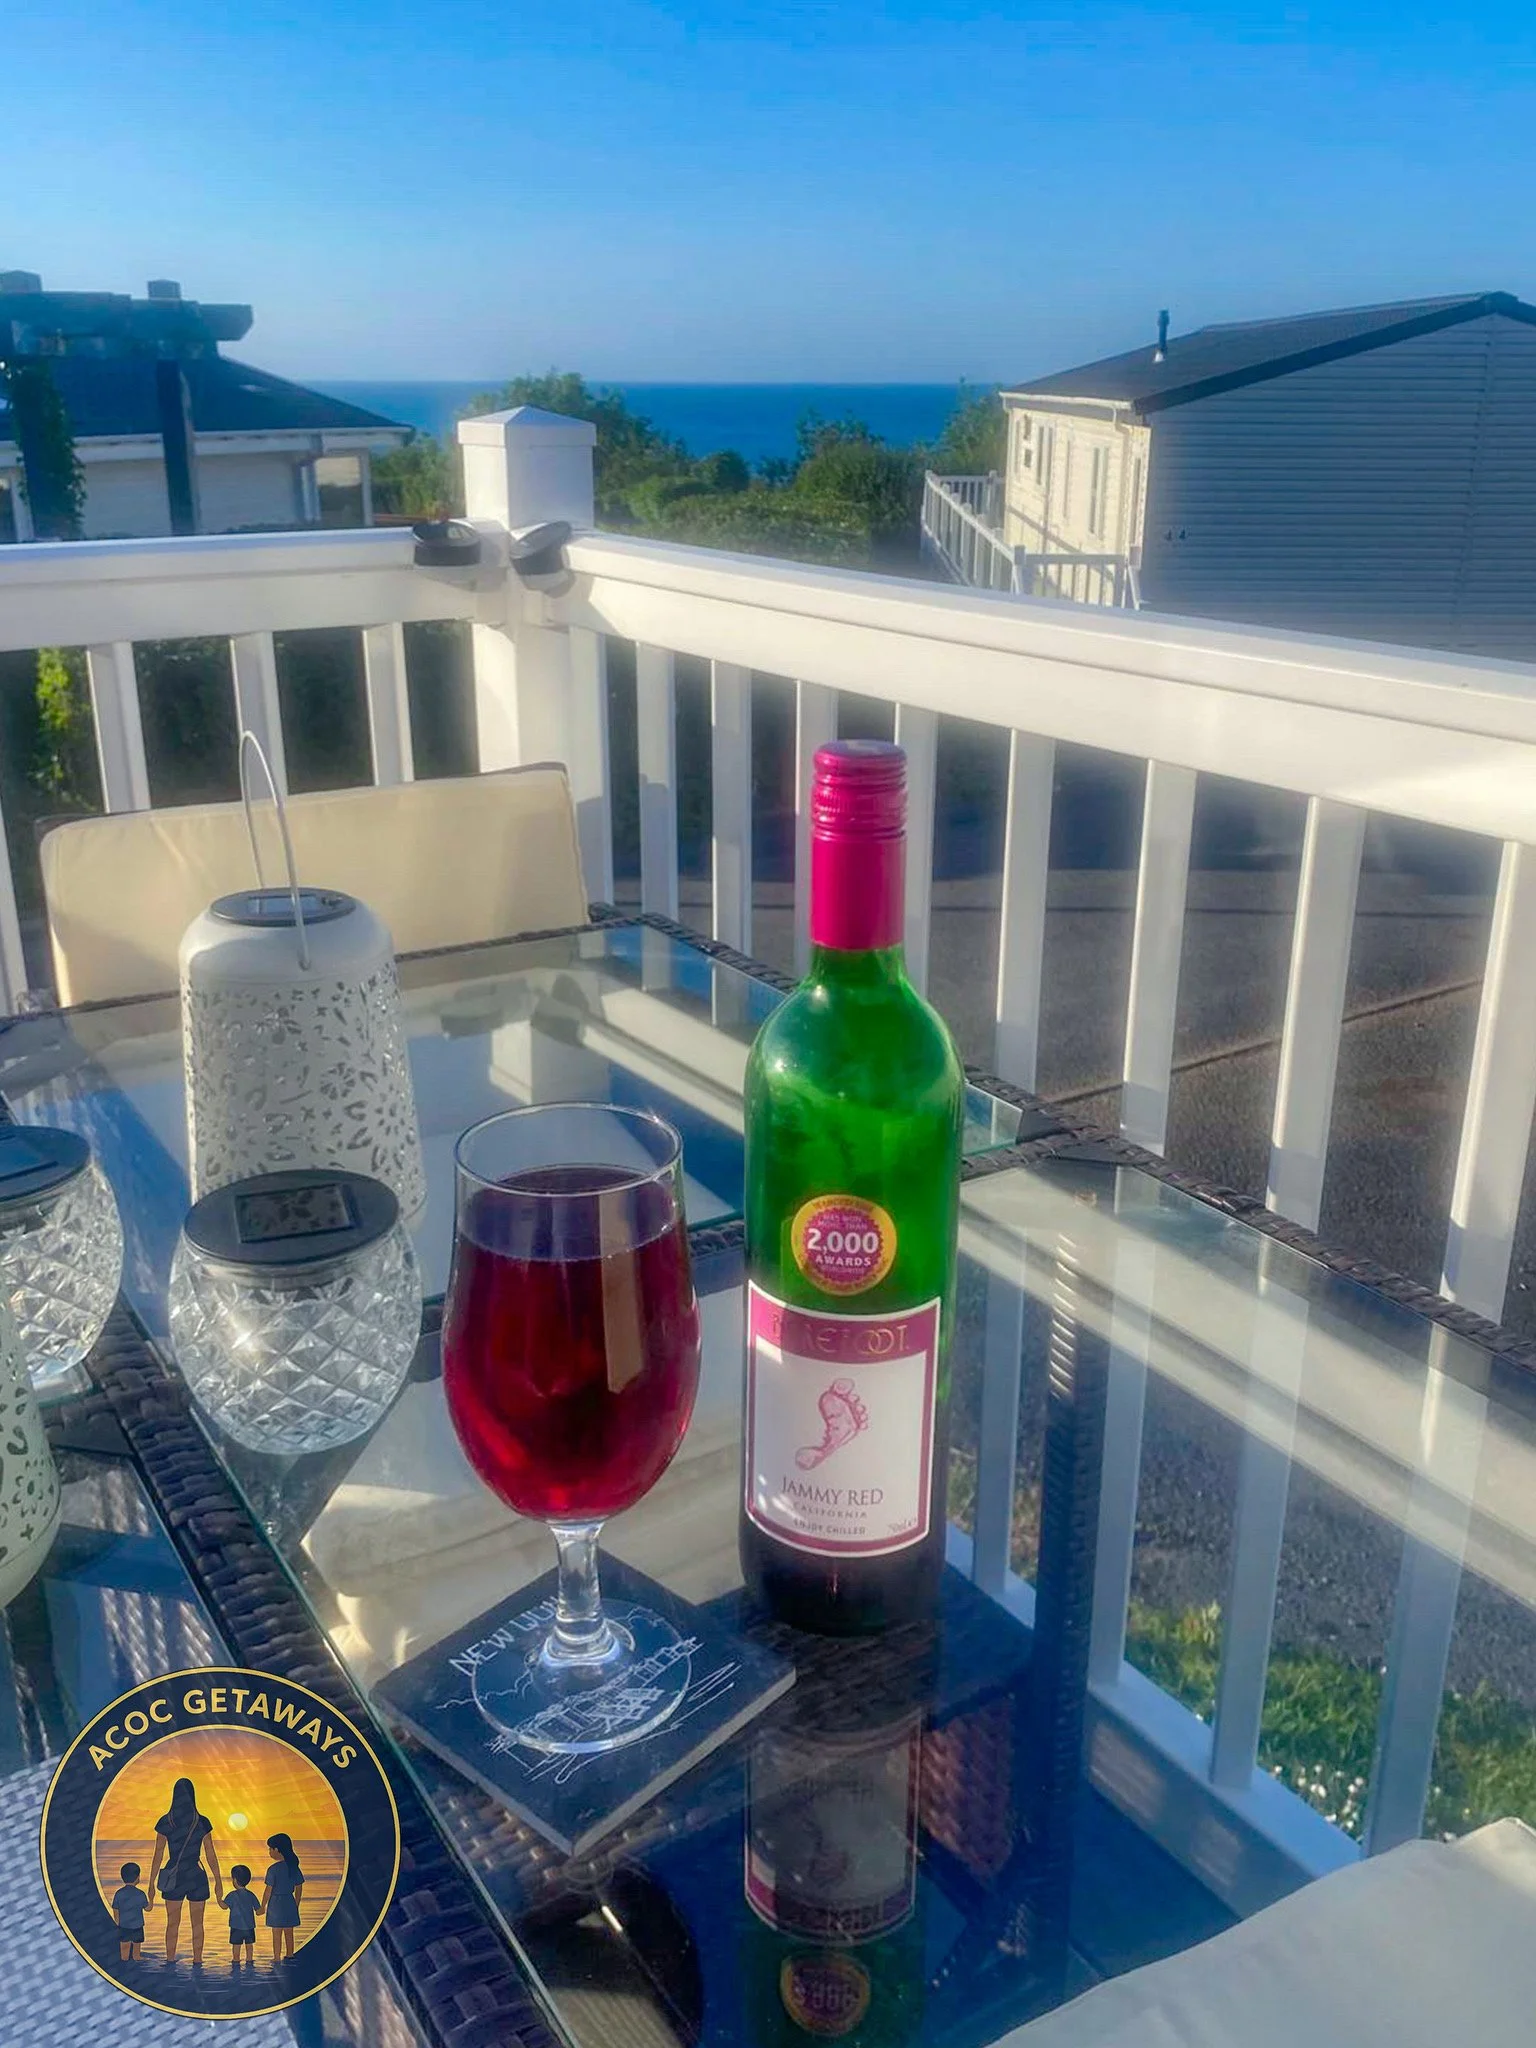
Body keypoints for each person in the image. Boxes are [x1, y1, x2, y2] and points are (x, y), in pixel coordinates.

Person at [146, 1775, 222, 1967]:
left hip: (174, 1874)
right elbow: (210, 1855)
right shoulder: (201, 1821)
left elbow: (158, 1855)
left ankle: (170, 1960)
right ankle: (197, 1961)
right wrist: (218, 1882)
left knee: (172, 1923)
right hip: (196, 1874)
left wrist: (151, 1884)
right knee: (198, 1924)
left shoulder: (166, 1821)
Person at [261, 1833, 304, 1963]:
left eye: (270, 1849)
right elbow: (299, 1887)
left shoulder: (273, 1869)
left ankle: (276, 1956)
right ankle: (290, 1954)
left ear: (277, 1850)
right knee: (289, 1931)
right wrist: (296, 1903)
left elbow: (268, 1890)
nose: (269, 1852)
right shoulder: (293, 1867)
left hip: (276, 1903)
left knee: (276, 1932)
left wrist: (263, 1906)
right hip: (289, 1901)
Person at [112, 1861, 149, 1963]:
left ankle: (125, 1967)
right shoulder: (141, 1894)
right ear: (138, 1877)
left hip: (124, 1926)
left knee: (124, 1954)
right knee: (137, 1955)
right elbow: (147, 1908)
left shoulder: (119, 1893)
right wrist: (151, 1898)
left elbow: (115, 1909)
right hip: (137, 1927)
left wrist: (117, 1923)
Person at [222, 1863, 259, 1966]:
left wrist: (218, 1898)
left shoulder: (232, 1895)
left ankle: (236, 1962)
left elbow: (224, 1906)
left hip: (236, 1927)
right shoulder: (251, 1895)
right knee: (249, 1946)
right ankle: (249, 1962)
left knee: (236, 1947)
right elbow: (258, 1909)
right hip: (249, 1926)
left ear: (234, 1880)